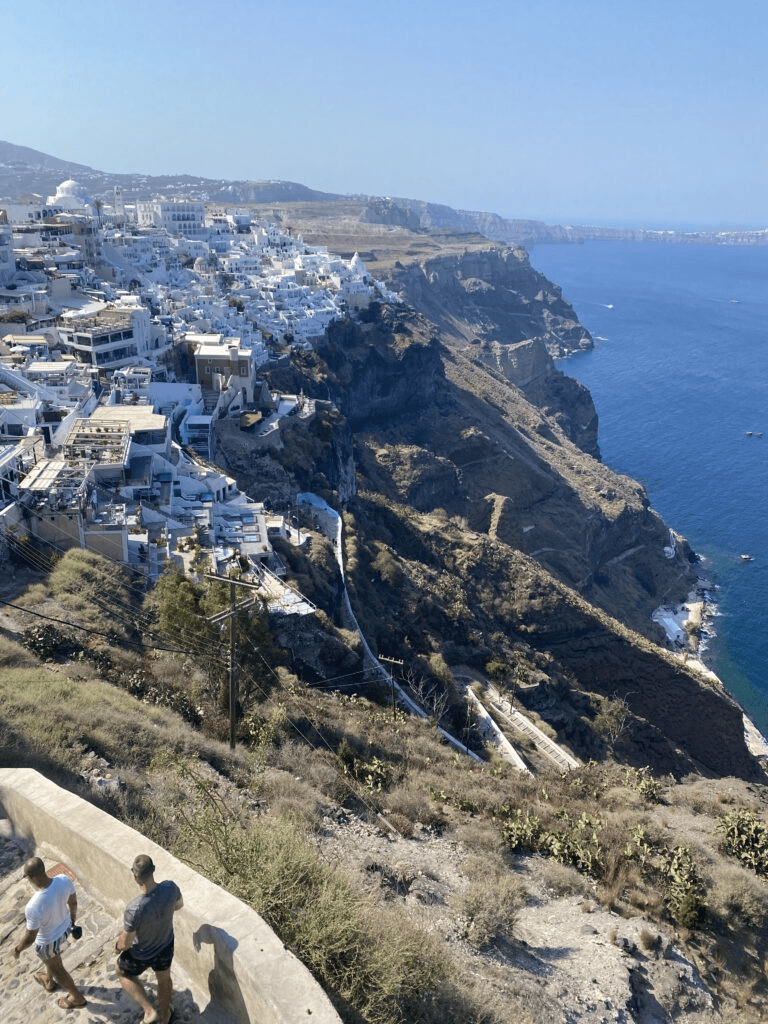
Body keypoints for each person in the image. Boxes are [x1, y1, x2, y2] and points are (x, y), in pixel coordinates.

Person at [116, 854, 183, 1024]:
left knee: (122, 972)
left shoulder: (134, 908)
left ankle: (149, 1011)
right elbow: (179, 905)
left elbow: (127, 943)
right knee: (164, 979)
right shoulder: (170, 888)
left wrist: (117, 945)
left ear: (136, 876)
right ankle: (165, 1016)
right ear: (153, 870)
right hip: (166, 945)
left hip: (141, 954)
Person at [13, 856, 87, 1010]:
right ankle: (48, 981)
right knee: (51, 960)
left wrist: (17, 949)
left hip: (48, 942)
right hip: (66, 929)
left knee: (58, 969)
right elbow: (73, 902)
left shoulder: (33, 906)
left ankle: (76, 997)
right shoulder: (63, 880)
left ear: (31, 877)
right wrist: (72, 920)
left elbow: (30, 938)